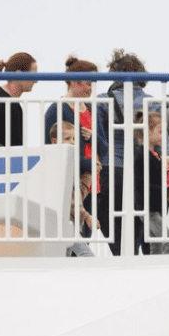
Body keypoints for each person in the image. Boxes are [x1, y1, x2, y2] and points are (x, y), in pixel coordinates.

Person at [44, 56, 109, 241]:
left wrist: (93, 138)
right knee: (72, 234)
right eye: (87, 83)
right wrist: (88, 163)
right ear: (74, 82)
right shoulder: (56, 110)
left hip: (91, 183)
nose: (91, 88)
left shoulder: (92, 108)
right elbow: (51, 149)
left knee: (86, 236)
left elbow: (104, 148)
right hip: (70, 182)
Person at [97, 48, 151, 255]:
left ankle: (119, 254)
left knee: (109, 215)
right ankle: (133, 253)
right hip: (141, 168)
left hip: (111, 166)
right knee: (140, 215)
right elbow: (161, 140)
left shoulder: (102, 100)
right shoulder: (151, 101)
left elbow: (97, 136)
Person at [49, 121, 96, 257]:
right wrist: (87, 217)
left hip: (71, 224)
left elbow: (76, 196)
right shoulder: (56, 164)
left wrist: (88, 176)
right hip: (63, 223)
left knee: (66, 260)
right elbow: (70, 200)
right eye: (67, 139)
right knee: (87, 255)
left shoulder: (70, 163)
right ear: (54, 141)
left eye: (74, 139)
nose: (73, 142)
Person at [138, 111, 169, 255]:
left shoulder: (154, 155)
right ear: (147, 131)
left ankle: (154, 275)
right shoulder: (142, 155)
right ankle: (162, 275)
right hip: (149, 210)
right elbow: (141, 186)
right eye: (160, 131)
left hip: (154, 209)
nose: (164, 136)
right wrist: (168, 190)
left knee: (156, 248)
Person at [0, 52, 38, 147]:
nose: (36, 81)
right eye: (34, 75)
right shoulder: (3, 104)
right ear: (19, 74)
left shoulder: (5, 101)